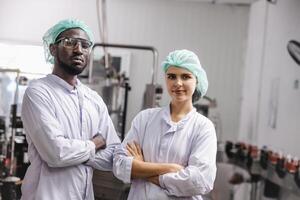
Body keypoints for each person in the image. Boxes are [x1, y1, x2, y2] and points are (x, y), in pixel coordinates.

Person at [20, 19, 120, 200]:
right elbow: (56, 153)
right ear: (52, 49)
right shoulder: (38, 92)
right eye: (69, 42)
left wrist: (75, 153)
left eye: (85, 45)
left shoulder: (94, 99)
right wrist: (94, 144)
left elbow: (113, 154)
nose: (79, 50)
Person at [113, 49, 217, 200]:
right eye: (172, 76)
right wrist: (170, 169)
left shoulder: (203, 127)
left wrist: (143, 169)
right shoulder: (145, 119)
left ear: (197, 80)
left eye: (186, 77)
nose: (178, 83)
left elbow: (200, 180)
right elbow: (119, 164)